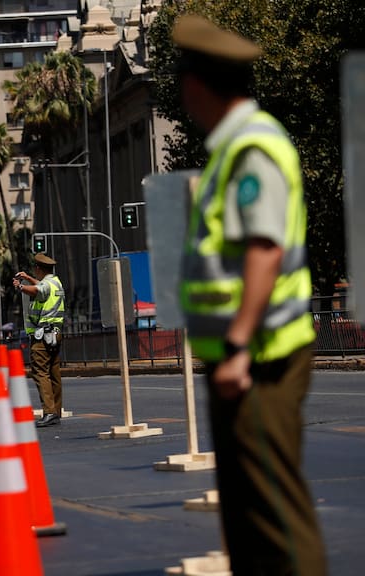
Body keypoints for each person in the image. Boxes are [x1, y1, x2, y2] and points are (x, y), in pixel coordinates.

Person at [173, 14, 327, 575]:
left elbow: (264, 249)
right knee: (245, 516)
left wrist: (237, 343)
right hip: (240, 361)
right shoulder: (233, 147)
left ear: (197, 85)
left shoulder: (252, 148)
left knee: (275, 515)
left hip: (261, 358)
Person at [13, 252, 65, 427]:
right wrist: (27, 278)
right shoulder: (55, 282)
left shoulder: (46, 285)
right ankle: (56, 411)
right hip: (55, 334)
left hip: (43, 336)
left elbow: (39, 290)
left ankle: (49, 412)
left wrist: (20, 287)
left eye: (34, 270)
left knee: (41, 372)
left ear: (39, 268)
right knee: (53, 373)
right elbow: (42, 287)